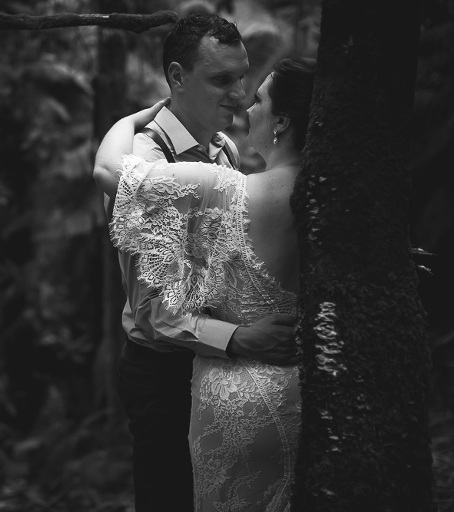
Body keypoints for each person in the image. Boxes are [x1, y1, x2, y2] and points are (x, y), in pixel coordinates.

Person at [94, 57, 317, 511]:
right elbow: (152, 311)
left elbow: (109, 171)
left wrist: (126, 118)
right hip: (292, 386)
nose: (240, 97)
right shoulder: (332, 192)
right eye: (224, 80)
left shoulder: (224, 180)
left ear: (282, 122)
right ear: (178, 77)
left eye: (253, 93)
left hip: (235, 395)